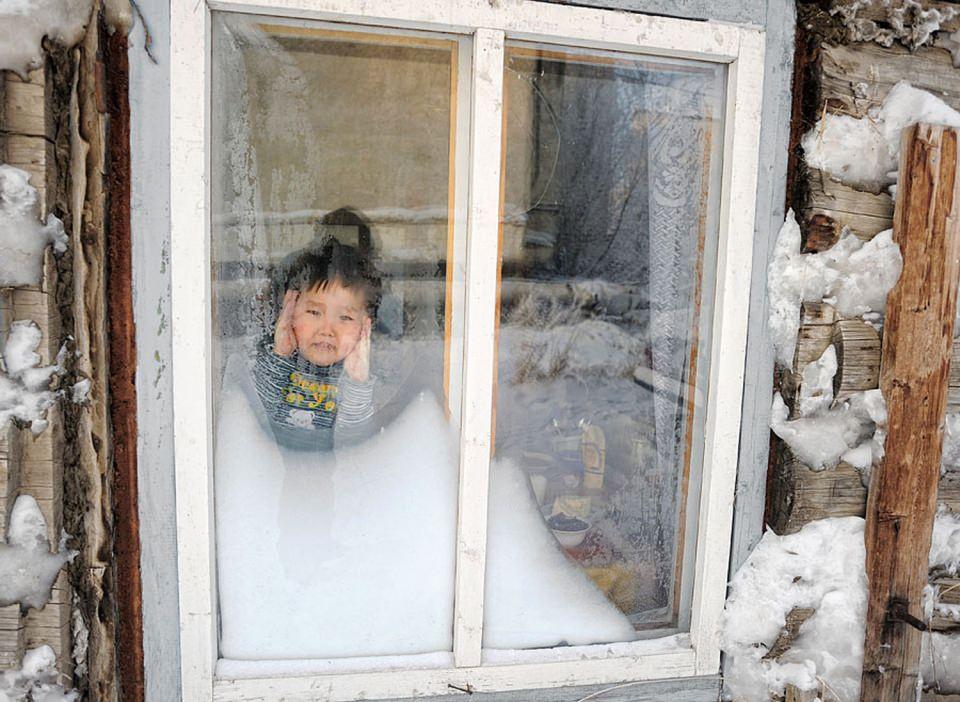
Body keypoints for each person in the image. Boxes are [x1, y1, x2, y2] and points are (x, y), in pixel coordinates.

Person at [254, 237, 382, 450]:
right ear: (291, 310)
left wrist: (358, 381)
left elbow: (355, 441)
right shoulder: (275, 361)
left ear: (364, 327)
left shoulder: (365, 375)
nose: (327, 330)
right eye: (314, 312)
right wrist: (280, 355)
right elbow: (259, 420)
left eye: (345, 318)